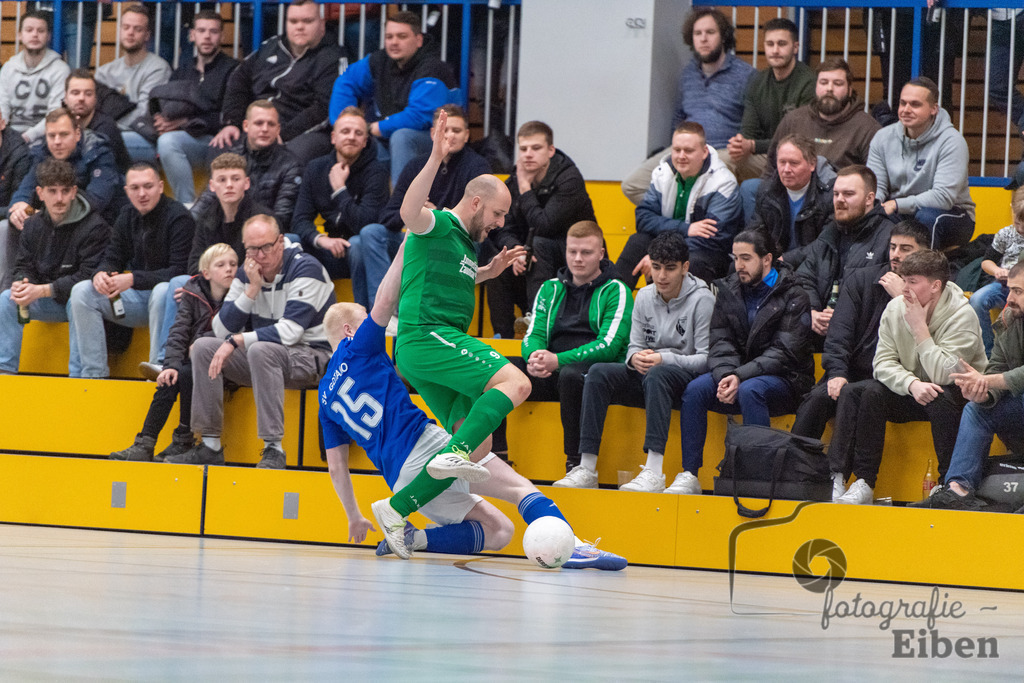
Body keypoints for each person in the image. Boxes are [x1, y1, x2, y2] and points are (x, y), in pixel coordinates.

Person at [320, 242, 625, 569]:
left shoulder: (325, 396)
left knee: (500, 531)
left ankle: (413, 537)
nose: (371, 325)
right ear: (350, 330)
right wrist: (407, 243)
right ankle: (573, 546)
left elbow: (337, 467)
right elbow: (387, 298)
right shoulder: (359, 349)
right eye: (363, 321)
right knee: (519, 487)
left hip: (399, 475)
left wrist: (353, 517)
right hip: (427, 445)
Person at [372, 109, 533, 542]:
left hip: (428, 349)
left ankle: (396, 509)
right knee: (517, 384)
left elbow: (454, 275)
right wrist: (434, 157)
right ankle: (450, 457)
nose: (501, 224)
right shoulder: (438, 223)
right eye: (498, 214)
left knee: (475, 446)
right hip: (428, 337)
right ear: (477, 202)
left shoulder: (464, 245)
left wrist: (488, 272)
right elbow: (409, 212)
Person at [173, 214, 336, 469]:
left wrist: (236, 340)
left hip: (314, 358)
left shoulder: (307, 268)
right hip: (267, 358)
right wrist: (250, 291)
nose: (259, 255)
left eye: (266, 247)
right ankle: (210, 445)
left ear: (280, 242)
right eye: (251, 249)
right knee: (205, 346)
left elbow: (291, 332)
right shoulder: (247, 273)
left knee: (260, 350)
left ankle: (273, 449)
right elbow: (219, 329)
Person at [791, 219, 930, 500]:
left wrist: (901, 297)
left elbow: (923, 347)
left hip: (894, 378)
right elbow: (839, 334)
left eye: (905, 248)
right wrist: (836, 372)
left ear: (924, 253)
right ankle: (791, 474)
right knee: (817, 400)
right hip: (851, 371)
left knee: (860, 395)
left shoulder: (931, 290)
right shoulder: (861, 279)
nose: (896, 254)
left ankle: (843, 478)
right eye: (892, 247)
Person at [836, 250, 987, 505]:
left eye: (913, 281)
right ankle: (864, 482)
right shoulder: (894, 309)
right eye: (903, 279)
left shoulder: (963, 315)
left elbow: (944, 374)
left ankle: (946, 484)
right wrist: (911, 384)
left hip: (958, 394)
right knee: (871, 392)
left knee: (941, 397)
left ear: (936, 285)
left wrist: (919, 328)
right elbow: (881, 363)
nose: (904, 288)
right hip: (914, 392)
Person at [569, 232, 713, 492]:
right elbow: (633, 346)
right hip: (649, 370)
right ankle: (587, 466)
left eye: (670, 269)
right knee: (598, 372)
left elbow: (705, 359)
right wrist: (635, 358)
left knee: (658, 374)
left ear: (685, 267)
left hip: (683, 374)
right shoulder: (645, 296)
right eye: (656, 268)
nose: (661, 276)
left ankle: (654, 471)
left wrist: (663, 358)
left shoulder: (703, 299)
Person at [677, 230, 814, 495]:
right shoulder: (728, 290)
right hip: (739, 374)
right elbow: (720, 341)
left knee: (752, 390)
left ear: (767, 259)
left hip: (787, 380)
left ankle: (760, 477)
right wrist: (729, 374)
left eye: (746, 258)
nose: (739, 265)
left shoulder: (795, 294)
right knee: (695, 390)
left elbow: (784, 352)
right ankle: (690, 474)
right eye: (735, 257)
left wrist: (739, 376)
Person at [492, 220, 633, 475]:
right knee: (497, 367)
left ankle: (575, 463)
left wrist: (557, 360)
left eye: (586, 253)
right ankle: (496, 455)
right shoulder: (550, 288)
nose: (577, 259)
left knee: (571, 375)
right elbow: (533, 334)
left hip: (592, 376)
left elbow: (608, 347)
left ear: (601, 254)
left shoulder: (617, 290)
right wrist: (534, 357)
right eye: (572, 252)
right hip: (549, 370)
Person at [911, 262, 1024, 511]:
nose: (1011, 298)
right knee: (976, 409)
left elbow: (997, 376)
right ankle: (958, 490)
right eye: (1010, 290)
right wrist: (981, 392)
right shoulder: (1011, 322)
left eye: (1018, 291)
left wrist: (988, 381)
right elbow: (996, 367)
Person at [110, 244, 237, 462]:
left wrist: (198, 345)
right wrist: (169, 365)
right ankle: (145, 442)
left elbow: (236, 333)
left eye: (234, 264)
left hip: (226, 364)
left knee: (187, 373)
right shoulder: (192, 291)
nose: (229, 270)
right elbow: (178, 332)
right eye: (221, 265)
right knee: (171, 376)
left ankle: (182, 440)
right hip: (193, 361)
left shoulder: (240, 296)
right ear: (206, 273)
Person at [67, 162, 194, 378]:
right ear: (126, 191)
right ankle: (93, 376)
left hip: (168, 303)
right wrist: (102, 273)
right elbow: (113, 256)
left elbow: (180, 272)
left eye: (148, 186)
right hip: (135, 301)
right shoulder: (126, 215)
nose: (142, 193)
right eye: (135, 188)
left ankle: (157, 369)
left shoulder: (179, 217)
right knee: (82, 291)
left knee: (163, 290)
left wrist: (133, 279)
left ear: (161, 187)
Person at [149, 152, 270, 374]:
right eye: (222, 180)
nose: (229, 185)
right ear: (212, 186)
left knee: (184, 286)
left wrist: (221, 274)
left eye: (235, 179)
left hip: (247, 289)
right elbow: (194, 264)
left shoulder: (258, 218)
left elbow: (258, 265)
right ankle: (163, 361)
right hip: (215, 287)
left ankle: (186, 358)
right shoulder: (206, 217)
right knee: (177, 283)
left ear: (246, 183)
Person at [621, 8, 754, 205]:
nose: (703, 39)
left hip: (723, 151)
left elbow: (752, 123)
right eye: (697, 33)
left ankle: (690, 219)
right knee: (632, 185)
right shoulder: (688, 74)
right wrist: (677, 148)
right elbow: (678, 117)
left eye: (710, 32)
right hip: (687, 149)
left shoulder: (746, 75)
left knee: (706, 183)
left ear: (723, 37)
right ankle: (674, 218)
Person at [364, 104, 489, 310]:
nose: (450, 135)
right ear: (433, 134)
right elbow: (388, 215)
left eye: (456, 130)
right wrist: (415, 215)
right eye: (444, 130)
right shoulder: (415, 165)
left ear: (467, 135)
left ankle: (415, 308)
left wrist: (434, 216)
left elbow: (476, 219)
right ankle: (383, 309)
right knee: (370, 234)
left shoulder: (478, 166)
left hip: (452, 240)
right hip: (414, 235)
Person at [485, 120, 597, 339]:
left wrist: (526, 188)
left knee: (539, 245)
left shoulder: (569, 179)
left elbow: (545, 225)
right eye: (523, 149)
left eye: (536, 148)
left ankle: (538, 323)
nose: (528, 154)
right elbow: (502, 227)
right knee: (499, 258)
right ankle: (502, 337)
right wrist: (515, 249)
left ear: (551, 151)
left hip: (572, 260)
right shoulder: (514, 181)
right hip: (534, 260)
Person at [0, 159, 109, 376]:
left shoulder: (95, 226)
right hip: (50, 300)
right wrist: (24, 283)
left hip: (82, 303)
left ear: (73, 192)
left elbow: (88, 276)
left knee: (80, 297)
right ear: (40, 193)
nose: (59, 199)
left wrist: (42, 290)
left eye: (64, 191)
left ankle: (78, 378)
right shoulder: (32, 224)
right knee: (6, 298)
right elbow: (23, 265)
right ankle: (5, 372)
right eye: (52, 191)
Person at [328, 10, 457, 185]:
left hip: (437, 142)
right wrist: (343, 123)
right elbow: (346, 82)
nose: (394, 42)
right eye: (389, 37)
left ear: (418, 40)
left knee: (401, 137)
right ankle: (364, 203)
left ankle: (400, 205)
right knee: (353, 138)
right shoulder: (379, 60)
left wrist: (374, 127)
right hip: (389, 138)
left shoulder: (432, 68)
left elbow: (418, 117)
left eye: (402, 36)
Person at [4, 108, 121, 289]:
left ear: (77, 134)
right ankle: (15, 285)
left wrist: (46, 212)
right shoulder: (41, 153)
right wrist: (19, 205)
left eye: (63, 134)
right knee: (14, 221)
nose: (57, 142)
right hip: (58, 222)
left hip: (98, 224)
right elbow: (27, 186)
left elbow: (97, 199)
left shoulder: (98, 150)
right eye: (52, 136)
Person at [214, 0, 344, 161]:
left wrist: (282, 134)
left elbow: (324, 108)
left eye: (307, 21)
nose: (299, 27)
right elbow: (239, 80)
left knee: (289, 156)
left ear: (322, 24)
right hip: (259, 124)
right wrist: (232, 122)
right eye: (293, 21)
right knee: (221, 146)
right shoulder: (271, 46)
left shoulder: (333, 57)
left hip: (301, 132)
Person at [617, 121, 742, 287]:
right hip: (678, 241)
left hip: (711, 253)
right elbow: (643, 219)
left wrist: (661, 257)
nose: (681, 156)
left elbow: (712, 239)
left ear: (704, 152)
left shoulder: (723, 183)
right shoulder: (662, 174)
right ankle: (614, 305)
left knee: (694, 261)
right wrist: (686, 229)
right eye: (676, 150)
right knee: (638, 242)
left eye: (689, 151)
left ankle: (688, 312)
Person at [291, 106, 389, 307]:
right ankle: (291, 317)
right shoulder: (316, 168)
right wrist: (321, 240)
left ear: (365, 141)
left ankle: (368, 320)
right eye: (345, 132)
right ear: (333, 137)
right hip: (329, 250)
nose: (351, 137)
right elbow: (299, 220)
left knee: (359, 243)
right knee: (289, 242)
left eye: (358, 133)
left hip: (360, 254)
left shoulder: (376, 172)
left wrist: (340, 191)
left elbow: (367, 224)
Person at [867, 78, 975, 250]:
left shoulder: (952, 141)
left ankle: (923, 273)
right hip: (901, 211)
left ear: (933, 109)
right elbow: (875, 187)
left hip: (952, 214)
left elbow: (943, 198)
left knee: (926, 218)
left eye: (915, 104)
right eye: (903, 103)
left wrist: (896, 204)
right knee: (871, 216)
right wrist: (873, 207)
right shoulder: (883, 137)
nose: (906, 110)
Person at [795, 165, 891, 341]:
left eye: (848, 194)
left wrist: (842, 319)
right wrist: (813, 312)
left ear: (869, 198)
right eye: (836, 194)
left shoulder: (888, 238)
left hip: (863, 339)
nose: (839, 200)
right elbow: (803, 277)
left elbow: (881, 301)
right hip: (820, 332)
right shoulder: (830, 233)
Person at [154, 10, 240, 206]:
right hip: (189, 140)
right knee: (166, 140)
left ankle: (191, 207)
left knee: (169, 141)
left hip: (217, 141)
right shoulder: (182, 70)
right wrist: (161, 119)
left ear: (222, 36)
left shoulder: (234, 70)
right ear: (192, 35)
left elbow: (228, 116)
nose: (207, 36)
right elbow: (167, 102)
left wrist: (184, 122)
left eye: (213, 31)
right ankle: (188, 206)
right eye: (201, 31)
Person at [729, 17, 814, 211]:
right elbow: (749, 133)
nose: (775, 50)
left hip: (796, 158)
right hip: (765, 156)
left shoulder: (808, 82)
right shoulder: (757, 81)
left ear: (795, 47)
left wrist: (752, 145)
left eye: (782, 44)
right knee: (724, 161)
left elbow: (802, 139)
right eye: (770, 44)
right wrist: (741, 144)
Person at [193, 101, 302, 233]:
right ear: (246, 125)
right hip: (228, 231)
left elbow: (282, 218)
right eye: (259, 123)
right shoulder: (231, 156)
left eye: (271, 124)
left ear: (278, 129)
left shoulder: (291, 165)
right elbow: (209, 198)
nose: (265, 129)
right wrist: (187, 221)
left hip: (266, 237)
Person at [764, 58, 880, 175]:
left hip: (840, 191)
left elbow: (873, 180)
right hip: (795, 190)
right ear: (816, 87)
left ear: (849, 90)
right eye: (823, 82)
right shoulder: (793, 120)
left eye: (837, 83)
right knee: (750, 187)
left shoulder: (868, 128)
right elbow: (770, 168)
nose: (829, 89)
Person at [93, 3, 172, 163]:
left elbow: (144, 114)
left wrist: (108, 126)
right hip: (108, 134)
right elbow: (95, 112)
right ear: (120, 30)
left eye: (138, 29)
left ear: (147, 35)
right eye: (126, 27)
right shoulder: (104, 71)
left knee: (96, 144)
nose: (130, 33)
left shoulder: (158, 68)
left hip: (142, 138)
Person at [746, 134, 835, 265]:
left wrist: (786, 260)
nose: (786, 169)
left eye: (794, 163)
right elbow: (755, 231)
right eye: (782, 162)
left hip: (812, 265)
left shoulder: (830, 195)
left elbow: (824, 244)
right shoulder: (767, 191)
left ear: (812, 164)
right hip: (774, 262)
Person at [0, 10, 70, 145]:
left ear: (48, 36)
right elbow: (2, 107)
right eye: (29, 30)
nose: (35, 34)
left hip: (45, 138)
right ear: (20, 35)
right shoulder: (8, 68)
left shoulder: (60, 70)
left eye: (41, 30)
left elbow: (55, 114)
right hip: (10, 136)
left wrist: (27, 137)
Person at [970, 188, 1024, 356]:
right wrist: (997, 270)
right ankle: (988, 352)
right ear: (1011, 209)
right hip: (1003, 286)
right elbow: (986, 261)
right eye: (1018, 222)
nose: (1021, 228)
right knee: (977, 300)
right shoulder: (1005, 234)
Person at [63, 69, 132, 174]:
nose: (81, 98)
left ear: (96, 98)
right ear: (65, 97)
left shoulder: (106, 128)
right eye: (75, 93)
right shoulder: (58, 122)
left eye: (88, 94)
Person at [0, 118, 34, 288]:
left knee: (5, 226)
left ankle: (2, 291)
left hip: (9, 217)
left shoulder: (19, 154)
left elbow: (16, 203)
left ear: (1, 122)